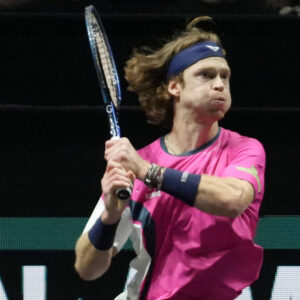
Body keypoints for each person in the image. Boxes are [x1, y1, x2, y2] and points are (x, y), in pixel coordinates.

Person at [75, 16, 266, 300]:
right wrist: (110, 216)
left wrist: (148, 172)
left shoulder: (243, 149)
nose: (219, 84)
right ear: (175, 87)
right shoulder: (136, 164)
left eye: (224, 76)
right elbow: (86, 268)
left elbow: (231, 200)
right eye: (206, 75)